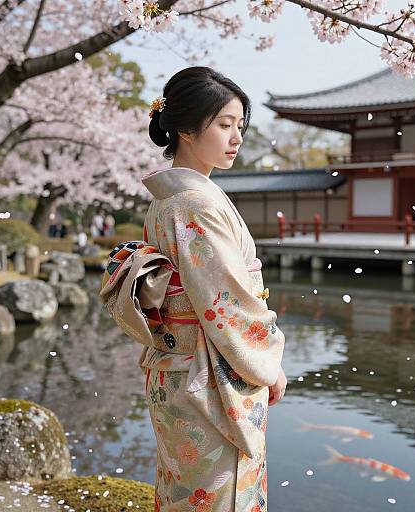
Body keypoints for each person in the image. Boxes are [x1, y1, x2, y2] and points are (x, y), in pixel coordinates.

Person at [140, 67, 286, 511]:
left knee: (186, 492)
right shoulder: (196, 204)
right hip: (206, 377)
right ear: (185, 127)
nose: (236, 137)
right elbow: (224, 303)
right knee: (220, 497)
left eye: (239, 126)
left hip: (175, 368)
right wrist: (268, 364)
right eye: (224, 125)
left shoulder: (167, 199)